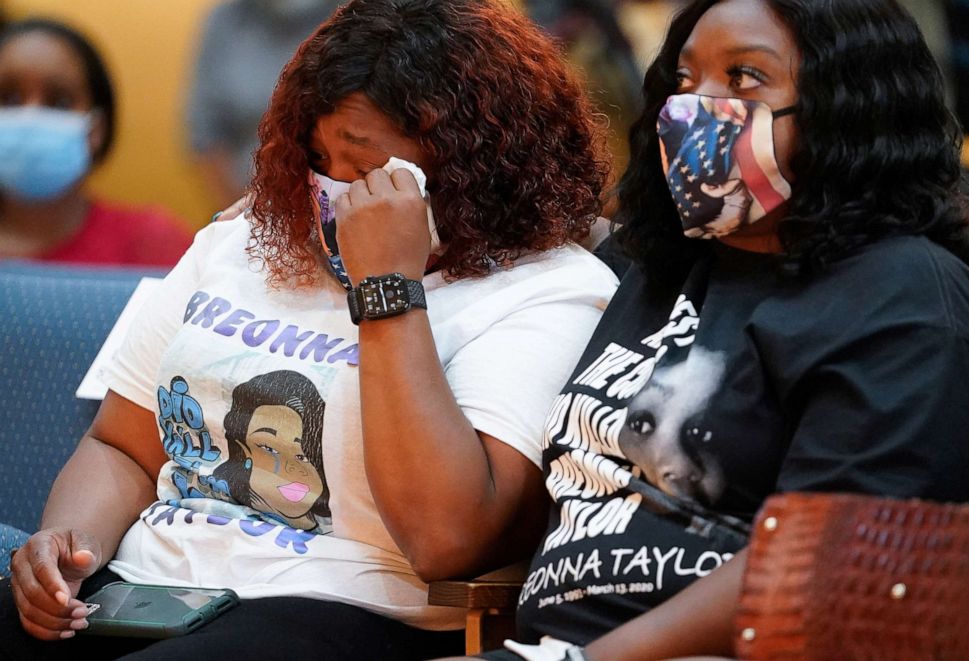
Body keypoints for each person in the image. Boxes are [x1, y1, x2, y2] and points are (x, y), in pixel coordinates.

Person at [0, 0, 617, 658]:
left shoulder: (549, 289)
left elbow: (446, 539)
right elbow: (123, 446)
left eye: (360, 166)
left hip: (335, 610)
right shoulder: (243, 238)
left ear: (468, 163)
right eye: (316, 155)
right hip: (147, 590)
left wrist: (386, 287)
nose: (328, 187)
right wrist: (65, 548)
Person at [443, 1, 969, 659]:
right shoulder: (645, 265)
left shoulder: (907, 296)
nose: (694, 107)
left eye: (744, 78)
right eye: (683, 79)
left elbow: (829, 560)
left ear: (845, 106)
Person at [0, 19, 193, 267]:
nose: (30, 116)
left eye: (60, 102)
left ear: (96, 128)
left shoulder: (152, 244)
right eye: (10, 98)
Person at [187, 0, 342, 208]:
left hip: (347, 206)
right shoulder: (227, 20)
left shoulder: (371, 14)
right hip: (248, 206)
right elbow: (205, 133)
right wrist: (246, 224)